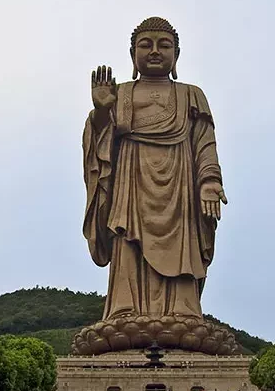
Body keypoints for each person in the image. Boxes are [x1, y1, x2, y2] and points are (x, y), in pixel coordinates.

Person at [84, 17, 228, 321]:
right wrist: (101, 112)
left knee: (183, 245)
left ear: (176, 54)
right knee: (127, 239)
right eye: (145, 45)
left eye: (164, 45)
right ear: (132, 54)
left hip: (180, 188)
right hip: (131, 183)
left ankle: (183, 312)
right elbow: (100, 146)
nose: (154, 51)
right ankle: (125, 310)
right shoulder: (120, 93)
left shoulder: (190, 94)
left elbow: (204, 142)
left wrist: (209, 181)